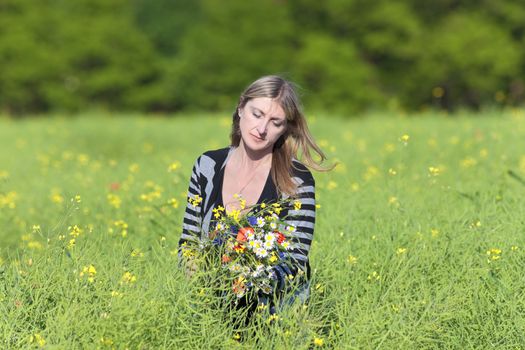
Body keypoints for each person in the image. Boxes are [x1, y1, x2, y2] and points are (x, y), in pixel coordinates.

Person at [178, 75, 331, 317]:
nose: (261, 129)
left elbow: (295, 262)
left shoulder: (296, 180)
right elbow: (189, 240)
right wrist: (194, 272)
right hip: (211, 310)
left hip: (276, 316)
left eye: (275, 122)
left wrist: (243, 282)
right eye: (257, 114)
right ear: (240, 109)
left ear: (285, 129)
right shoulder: (207, 165)